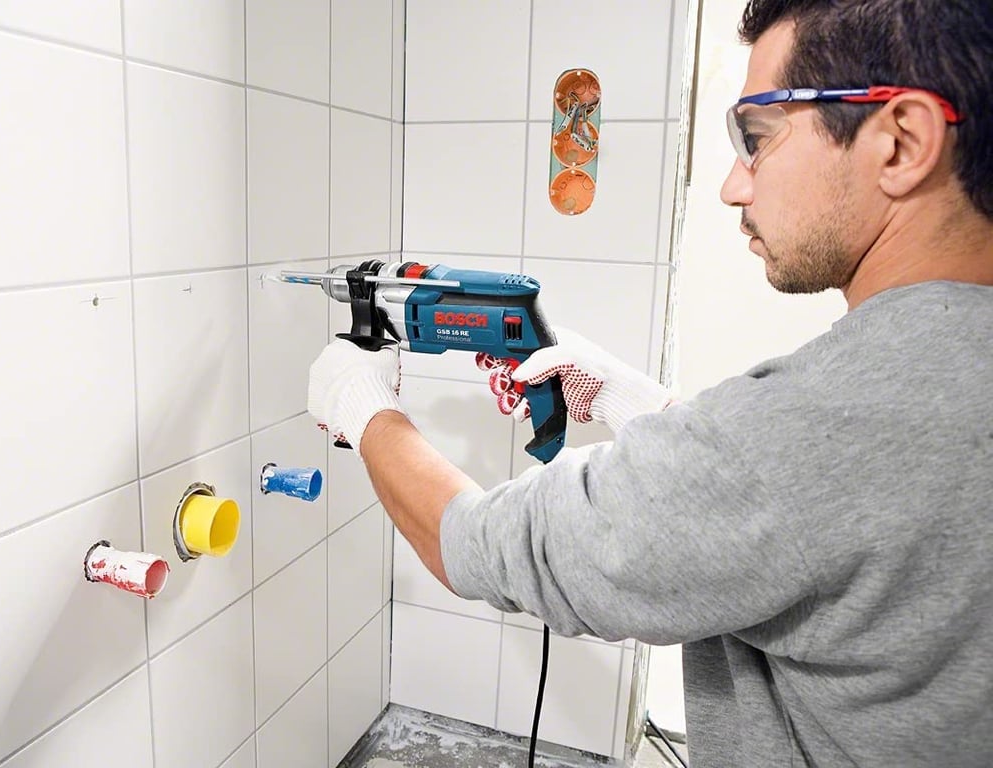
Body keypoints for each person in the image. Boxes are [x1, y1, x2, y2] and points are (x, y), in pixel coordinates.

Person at [307, 0, 993, 765]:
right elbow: (808, 506)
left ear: (901, 142)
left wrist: (363, 407)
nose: (733, 186)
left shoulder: (824, 422)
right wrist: (637, 403)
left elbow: (476, 545)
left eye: (757, 137)